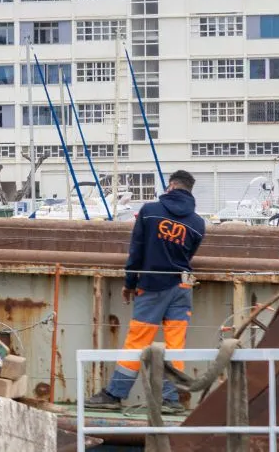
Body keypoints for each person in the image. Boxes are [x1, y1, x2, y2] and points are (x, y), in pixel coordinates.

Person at [85, 170, 205, 412]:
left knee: (138, 341)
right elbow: (188, 255)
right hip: (182, 287)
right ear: (190, 190)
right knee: (175, 345)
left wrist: (130, 283)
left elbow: (137, 251)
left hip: (153, 286)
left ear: (171, 186)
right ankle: (170, 399)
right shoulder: (197, 223)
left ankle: (114, 395)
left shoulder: (150, 212)